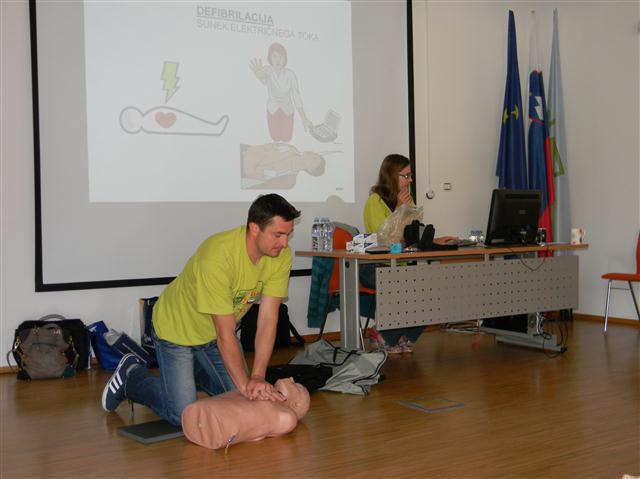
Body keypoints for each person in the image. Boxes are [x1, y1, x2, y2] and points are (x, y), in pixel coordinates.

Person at [101, 194, 301, 426]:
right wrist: (246, 387)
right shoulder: (218, 255)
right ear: (255, 228)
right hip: (176, 331)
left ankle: (188, 374)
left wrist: (257, 376)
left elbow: (267, 320)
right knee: (183, 415)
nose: (284, 243)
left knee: (241, 400)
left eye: (287, 234)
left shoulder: (280, 256)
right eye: (278, 235)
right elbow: (225, 334)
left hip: (212, 337)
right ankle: (132, 377)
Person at [361, 154, 455, 353]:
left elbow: (411, 235)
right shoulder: (374, 201)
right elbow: (385, 239)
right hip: (374, 266)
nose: (410, 180)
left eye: (410, 176)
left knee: (433, 286)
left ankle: (401, 336)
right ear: (392, 175)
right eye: (406, 175)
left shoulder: (407, 200)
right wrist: (399, 209)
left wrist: (435, 241)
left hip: (400, 265)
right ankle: (383, 335)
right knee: (404, 284)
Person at [181, 377, 310, 450]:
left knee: (237, 413)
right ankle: (204, 413)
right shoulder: (265, 388)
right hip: (214, 409)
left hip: (227, 422)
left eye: (297, 386)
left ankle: (215, 423)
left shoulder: (287, 417)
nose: (291, 378)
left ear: (295, 405)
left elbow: (262, 432)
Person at [250, 42, 313, 142]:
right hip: (272, 110)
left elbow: (296, 97)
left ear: (285, 59)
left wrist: (304, 119)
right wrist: (259, 75)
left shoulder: (290, 74)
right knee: (275, 138)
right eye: (275, 56)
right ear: (270, 58)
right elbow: (263, 77)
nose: (278, 60)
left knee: (287, 139)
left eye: (281, 57)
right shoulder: (267, 70)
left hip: (287, 111)